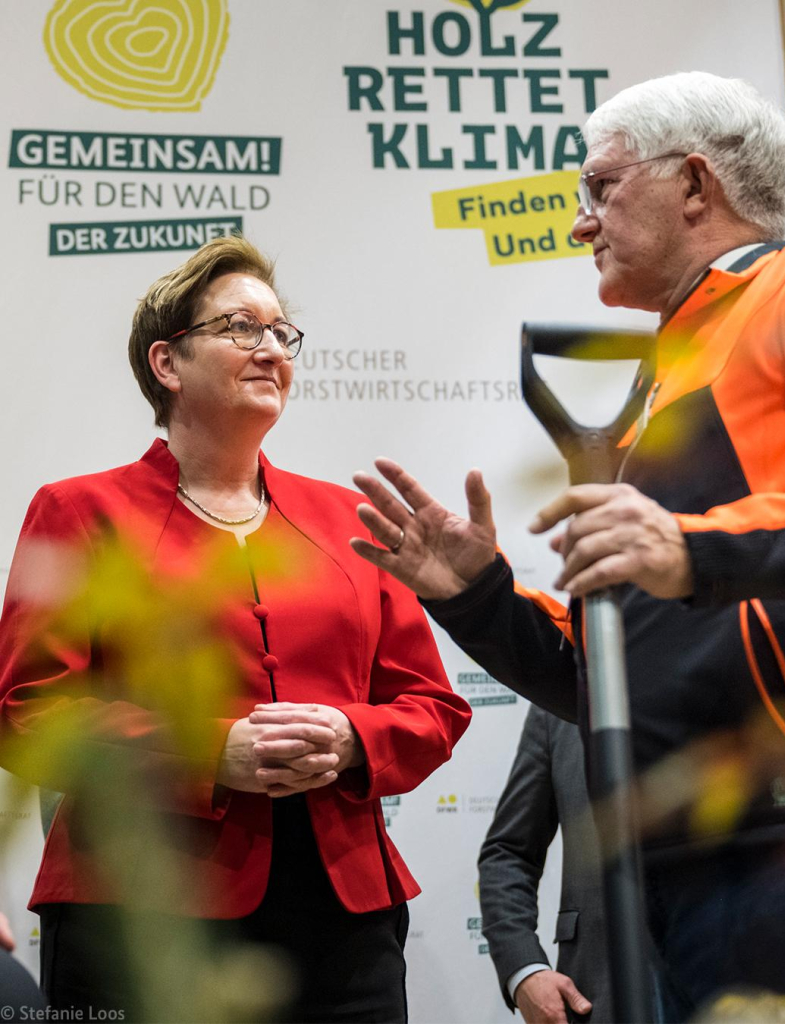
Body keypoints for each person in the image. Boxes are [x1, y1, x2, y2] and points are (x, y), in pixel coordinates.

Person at [351, 72, 785, 1022]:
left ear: (695, 184)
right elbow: (610, 680)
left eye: (601, 189)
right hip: (689, 882)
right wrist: (480, 598)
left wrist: (696, 545)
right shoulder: (664, 397)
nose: (580, 224)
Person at [0, 235, 471, 1023]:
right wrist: (210, 750)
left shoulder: (346, 521)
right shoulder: (79, 512)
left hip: (345, 921)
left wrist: (353, 737)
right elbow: (28, 714)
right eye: (240, 328)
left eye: (282, 333)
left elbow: (433, 708)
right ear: (167, 363)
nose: (271, 350)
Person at [479, 705, 607, 1023]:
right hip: (595, 995)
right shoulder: (558, 707)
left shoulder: (732, 679)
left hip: (721, 984)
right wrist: (525, 972)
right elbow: (508, 854)